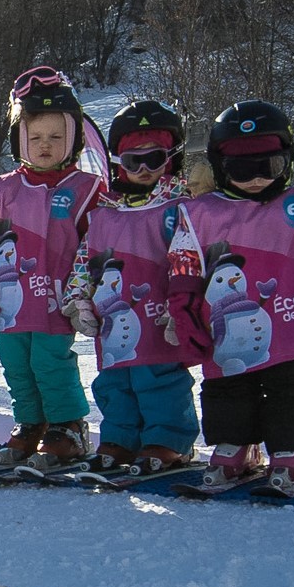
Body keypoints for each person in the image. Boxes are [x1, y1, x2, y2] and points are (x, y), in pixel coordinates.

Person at [166, 100, 294, 496]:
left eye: (269, 167)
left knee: (293, 388)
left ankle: (289, 450)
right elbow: (184, 270)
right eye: (241, 169)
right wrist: (185, 317)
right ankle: (236, 445)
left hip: (292, 328)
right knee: (228, 386)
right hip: (225, 330)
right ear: (218, 166)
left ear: (288, 161)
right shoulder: (199, 214)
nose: (255, 180)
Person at [0, 66, 104, 468]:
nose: (45, 145)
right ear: (19, 138)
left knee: (49, 360)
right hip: (10, 298)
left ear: (74, 139)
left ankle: (68, 425)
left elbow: (97, 243)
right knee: (15, 362)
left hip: (56, 298)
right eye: (35, 137)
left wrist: (85, 293)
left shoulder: (86, 188)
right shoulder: (4, 188)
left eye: (56, 137)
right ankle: (30, 423)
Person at [61, 100, 200, 475]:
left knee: (158, 380)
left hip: (157, 318)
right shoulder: (103, 213)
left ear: (170, 159)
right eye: (131, 160)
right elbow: (84, 260)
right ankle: (120, 437)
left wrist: (183, 307)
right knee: (115, 382)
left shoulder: (178, 209)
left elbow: (190, 260)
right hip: (114, 320)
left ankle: (169, 439)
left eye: (152, 160)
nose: (141, 170)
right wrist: (78, 299)